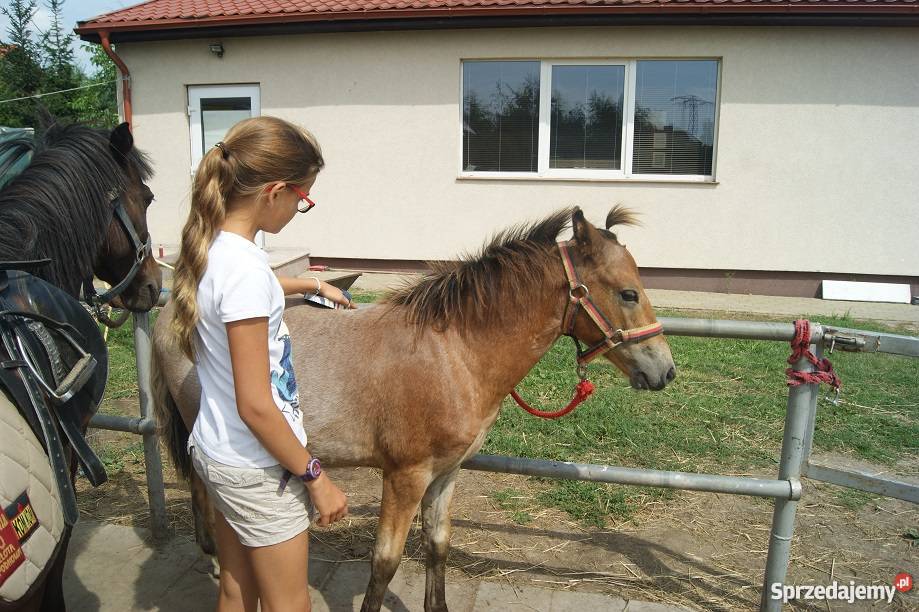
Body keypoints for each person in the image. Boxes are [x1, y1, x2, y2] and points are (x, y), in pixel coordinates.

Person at [169, 116, 351, 612]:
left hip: (217, 452)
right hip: (258, 468)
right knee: (290, 604)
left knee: (236, 587)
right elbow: (255, 404)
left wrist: (311, 284)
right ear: (274, 192)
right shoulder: (246, 270)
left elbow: (249, 293)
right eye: (303, 198)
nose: (300, 208)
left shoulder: (212, 248)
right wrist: (316, 476)